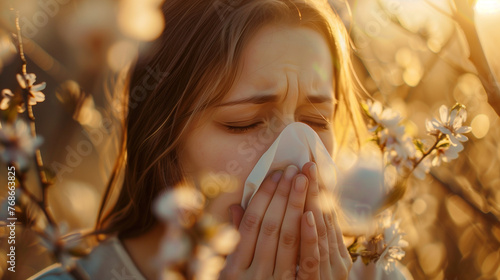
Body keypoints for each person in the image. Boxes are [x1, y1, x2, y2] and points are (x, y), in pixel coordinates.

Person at [31, 0, 371, 279]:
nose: (295, 157)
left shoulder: (377, 272)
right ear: (162, 138)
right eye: (245, 123)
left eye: (316, 120)